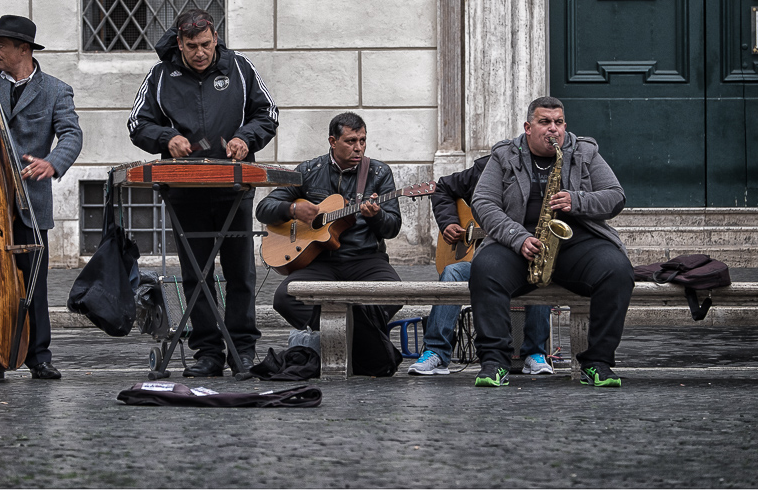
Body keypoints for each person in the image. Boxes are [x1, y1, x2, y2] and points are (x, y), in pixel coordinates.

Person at [127, 9, 278, 378]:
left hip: (234, 188)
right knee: (197, 274)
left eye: (206, 45)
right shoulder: (161, 75)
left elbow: (268, 113)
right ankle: (207, 352)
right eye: (192, 46)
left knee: (241, 273)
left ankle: (242, 349)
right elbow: (137, 123)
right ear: (179, 43)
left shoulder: (240, 68)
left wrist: (246, 138)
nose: (200, 53)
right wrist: (166, 138)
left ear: (216, 38)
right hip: (185, 190)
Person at [0, 15, 83, 381]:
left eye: (3, 46)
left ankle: (39, 356)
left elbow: (71, 135)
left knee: (32, 284)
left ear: (24, 49)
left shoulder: (56, 90)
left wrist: (52, 163)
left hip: (29, 201)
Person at [469, 96, 634, 387]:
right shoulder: (504, 155)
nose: (552, 129)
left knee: (617, 270)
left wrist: (577, 200)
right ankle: (495, 362)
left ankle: (598, 362)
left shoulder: (585, 151)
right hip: (519, 244)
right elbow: (483, 202)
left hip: (576, 242)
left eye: (558, 122)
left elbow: (615, 195)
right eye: (544, 122)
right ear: (528, 127)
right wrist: (518, 237)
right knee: (485, 269)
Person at [256, 112, 403, 375]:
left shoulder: (379, 172)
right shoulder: (308, 171)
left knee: (394, 292)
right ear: (332, 141)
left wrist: (376, 216)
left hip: (365, 259)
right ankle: (369, 351)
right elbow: (263, 209)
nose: (358, 147)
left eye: (362, 140)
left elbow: (392, 227)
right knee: (284, 298)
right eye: (350, 141)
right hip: (319, 261)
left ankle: (347, 343)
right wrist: (292, 209)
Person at [408, 157, 553, 376]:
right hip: (486, 263)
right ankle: (436, 352)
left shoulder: (543, 174)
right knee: (452, 271)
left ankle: (535, 353)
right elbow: (443, 188)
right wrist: (449, 222)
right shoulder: (485, 168)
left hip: (524, 263)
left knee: (539, 273)